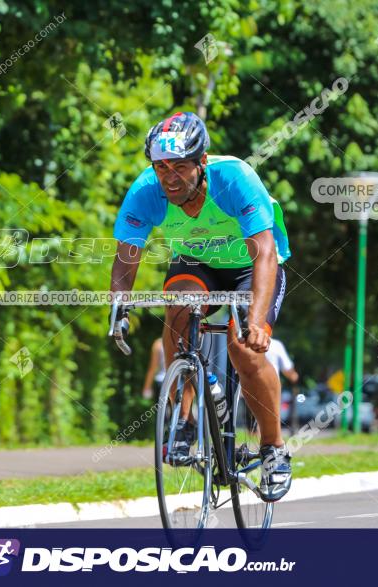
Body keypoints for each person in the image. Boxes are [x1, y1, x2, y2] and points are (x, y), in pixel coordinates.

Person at [108, 112, 293, 502]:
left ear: (202, 163)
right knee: (178, 309)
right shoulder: (145, 192)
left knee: (243, 346)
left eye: (179, 167)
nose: (169, 177)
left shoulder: (235, 179)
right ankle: (186, 418)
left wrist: (256, 321)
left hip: (251, 265)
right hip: (197, 264)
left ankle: (273, 448)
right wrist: (118, 308)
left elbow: (264, 255)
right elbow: (127, 256)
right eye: (160, 167)